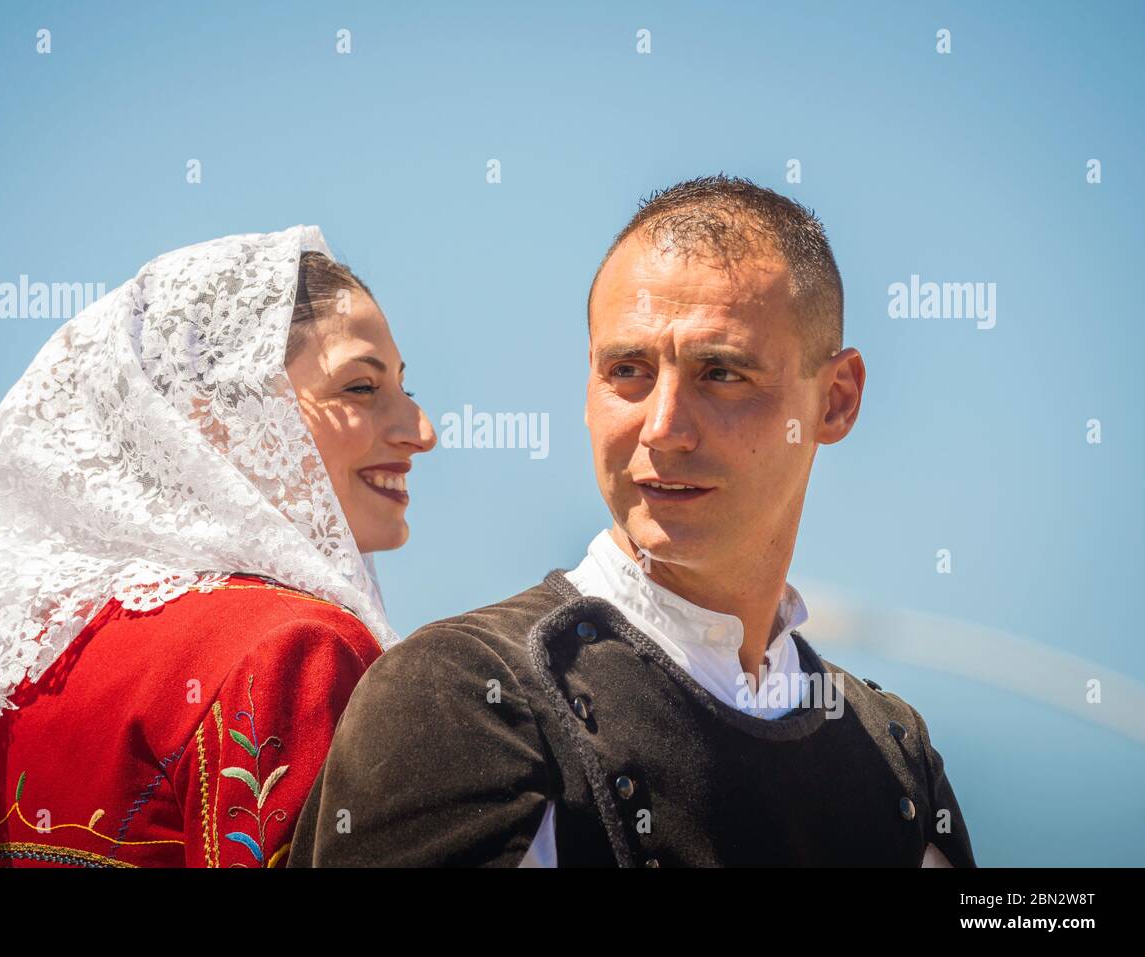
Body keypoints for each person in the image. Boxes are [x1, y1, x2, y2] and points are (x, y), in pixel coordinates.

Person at [289, 176, 976, 867]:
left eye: (722, 373)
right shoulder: (459, 697)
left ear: (836, 399)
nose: (665, 427)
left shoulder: (893, 756)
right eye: (628, 369)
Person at [0, 226, 436, 867]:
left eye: (407, 388)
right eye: (360, 388)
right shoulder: (294, 650)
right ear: (218, 415)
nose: (421, 431)